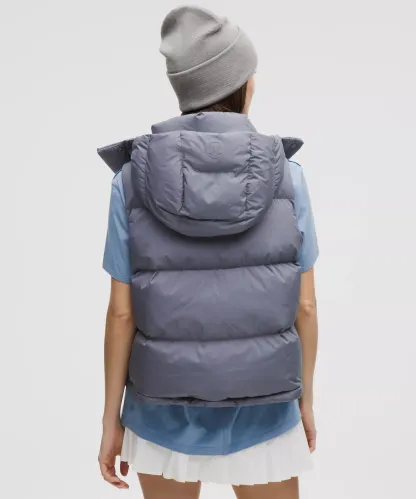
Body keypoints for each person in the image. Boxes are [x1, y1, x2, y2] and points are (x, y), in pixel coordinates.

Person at [98, 6, 319, 499]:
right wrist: (304, 399)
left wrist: (112, 418)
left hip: (160, 409)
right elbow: (305, 305)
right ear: (245, 84)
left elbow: (121, 313)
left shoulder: (130, 179)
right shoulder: (288, 176)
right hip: (266, 406)